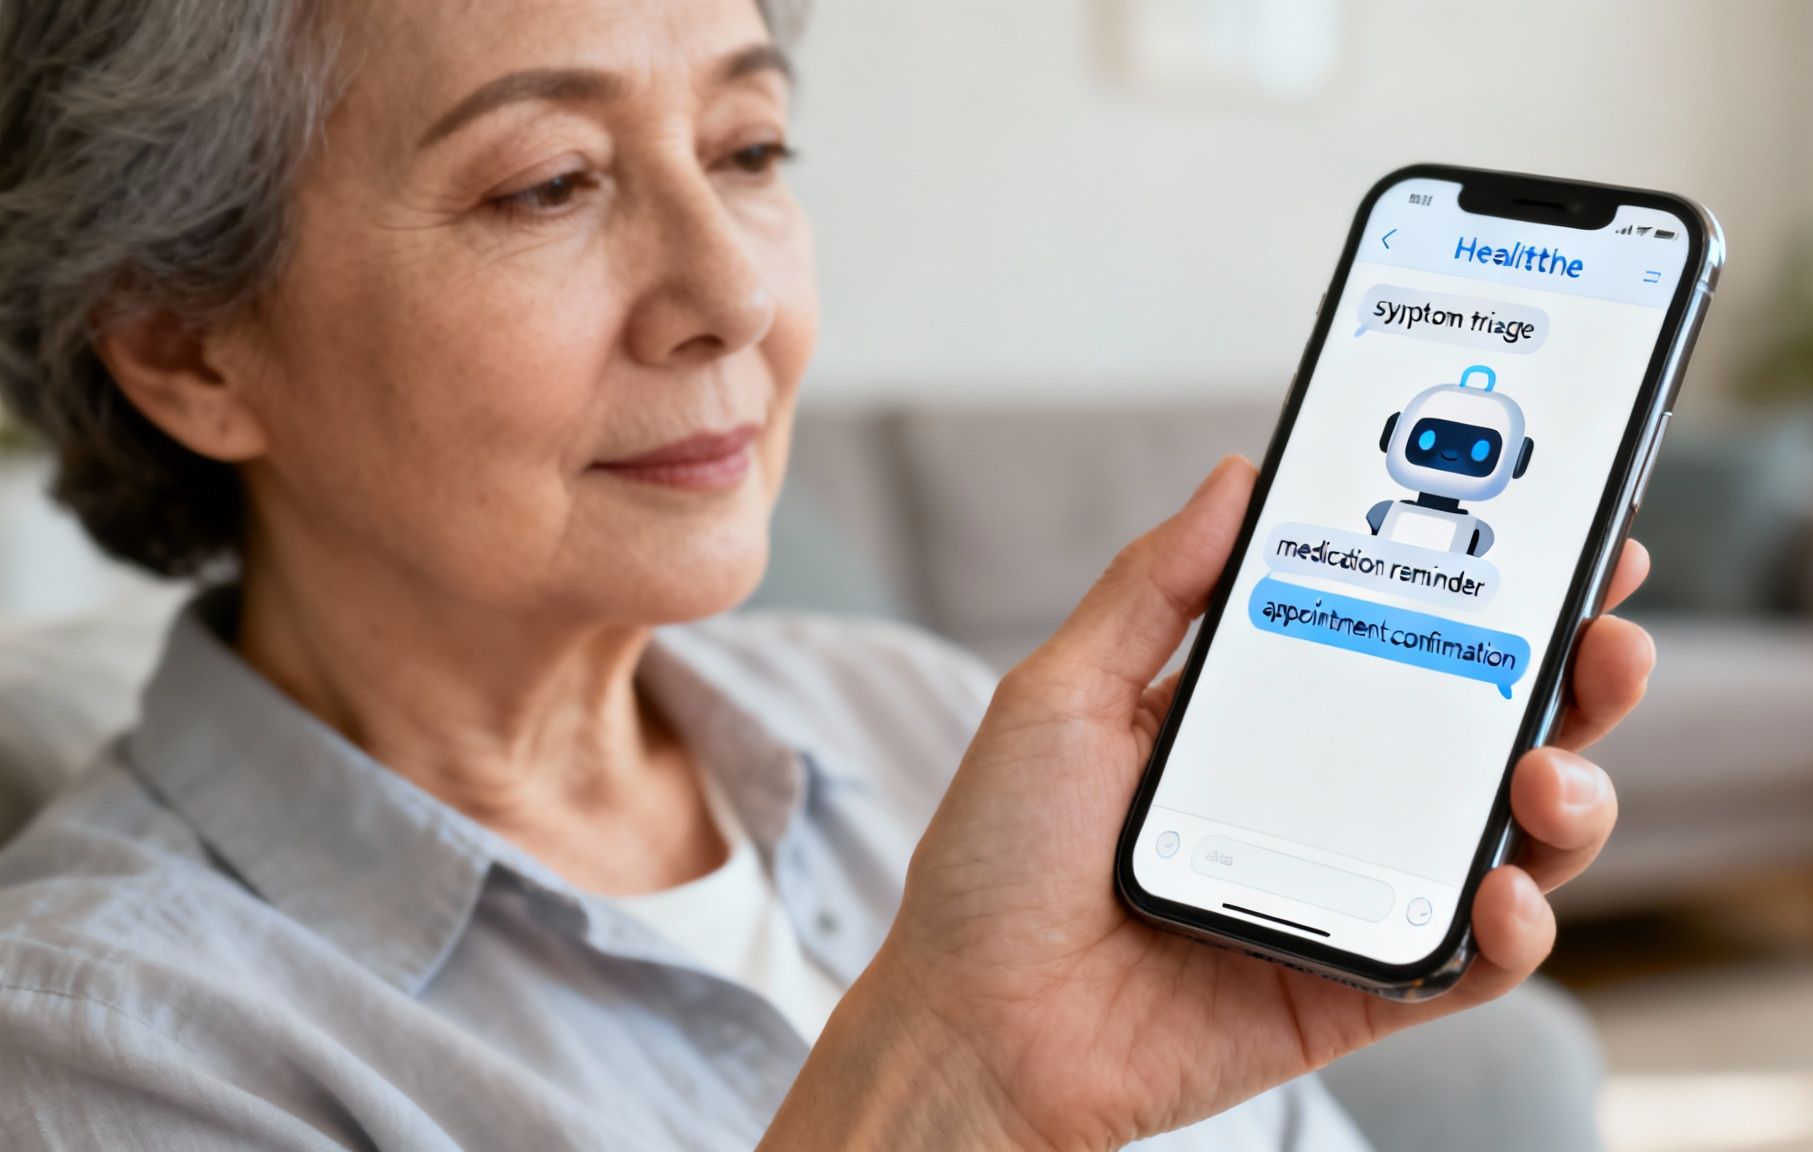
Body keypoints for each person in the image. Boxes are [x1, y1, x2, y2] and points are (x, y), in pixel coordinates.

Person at [0, 0, 1653, 1147]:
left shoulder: (935, 724)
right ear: (183, 345)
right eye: (548, 182)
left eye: (750, 149)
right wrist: (961, 1095)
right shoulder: (104, 1042)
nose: (731, 292)